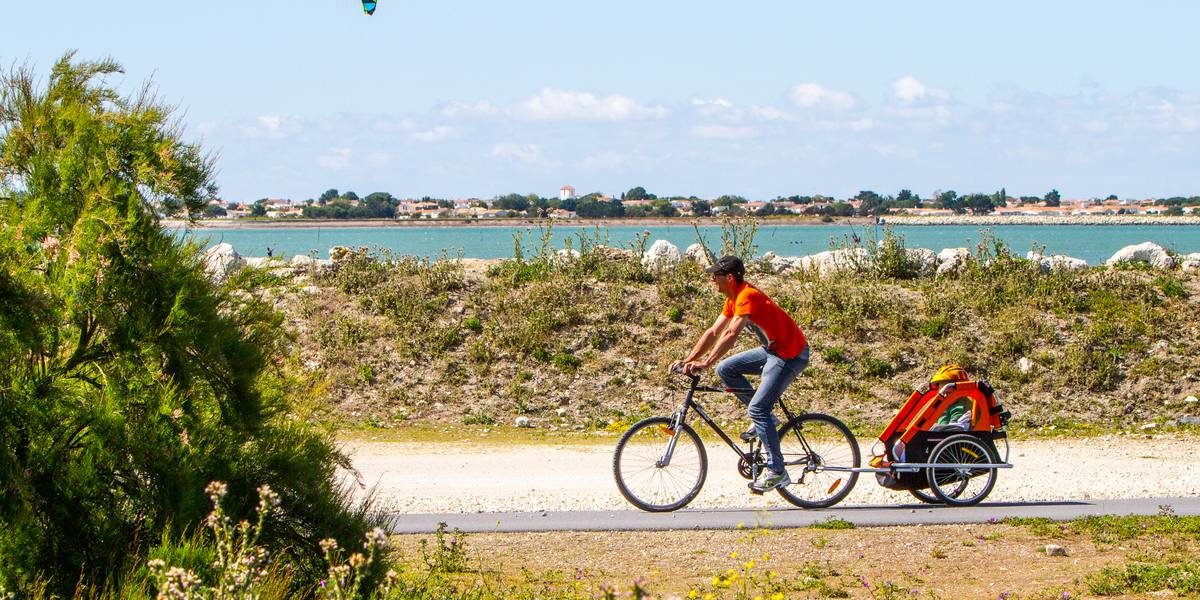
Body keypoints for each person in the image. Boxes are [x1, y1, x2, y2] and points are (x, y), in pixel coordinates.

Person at [670, 255, 810, 493]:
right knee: (726, 369)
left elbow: (731, 334)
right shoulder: (733, 299)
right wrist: (689, 359)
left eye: (716, 276)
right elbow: (714, 331)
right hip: (772, 350)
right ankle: (769, 419)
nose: (712, 279)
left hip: (790, 355)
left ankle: (777, 471)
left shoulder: (747, 296)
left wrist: (706, 362)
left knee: (757, 408)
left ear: (730, 278)